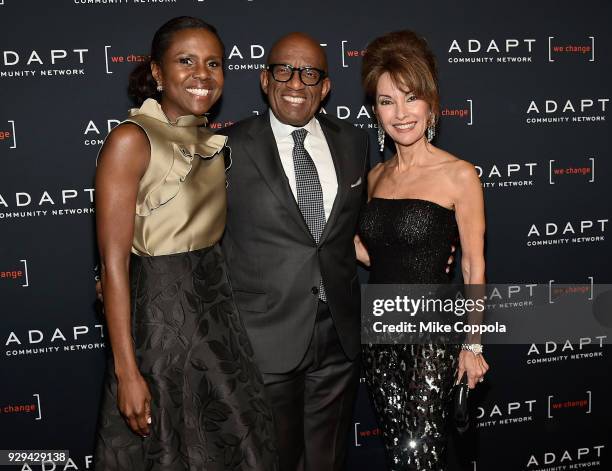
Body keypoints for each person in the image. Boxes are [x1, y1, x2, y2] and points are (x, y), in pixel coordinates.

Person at [93, 16, 277, 471]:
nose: (202, 74)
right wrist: (127, 371)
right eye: (186, 61)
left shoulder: (209, 141)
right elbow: (114, 266)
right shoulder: (131, 140)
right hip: (161, 331)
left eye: (213, 63)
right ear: (157, 72)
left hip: (217, 321)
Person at [222, 32, 369, 470]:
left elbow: (353, 226)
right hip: (265, 334)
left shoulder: (355, 142)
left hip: (338, 333)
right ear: (265, 79)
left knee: (328, 459)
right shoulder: (226, 147)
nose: (295, 83)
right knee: (273, 459)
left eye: (309, 74)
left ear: (325, 87)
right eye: (284, 70)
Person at [355, 30, 490, 470]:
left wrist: (473, 342)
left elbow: (472, 265)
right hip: (379, 334)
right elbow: (368, 249)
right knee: (400, 451)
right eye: (386, 100)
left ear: (430, 104)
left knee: (423, 455)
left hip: (431, 336)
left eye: (410, 98)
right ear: (375, 111)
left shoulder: (459, 175)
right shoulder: (375, 177)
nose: (400, 113)